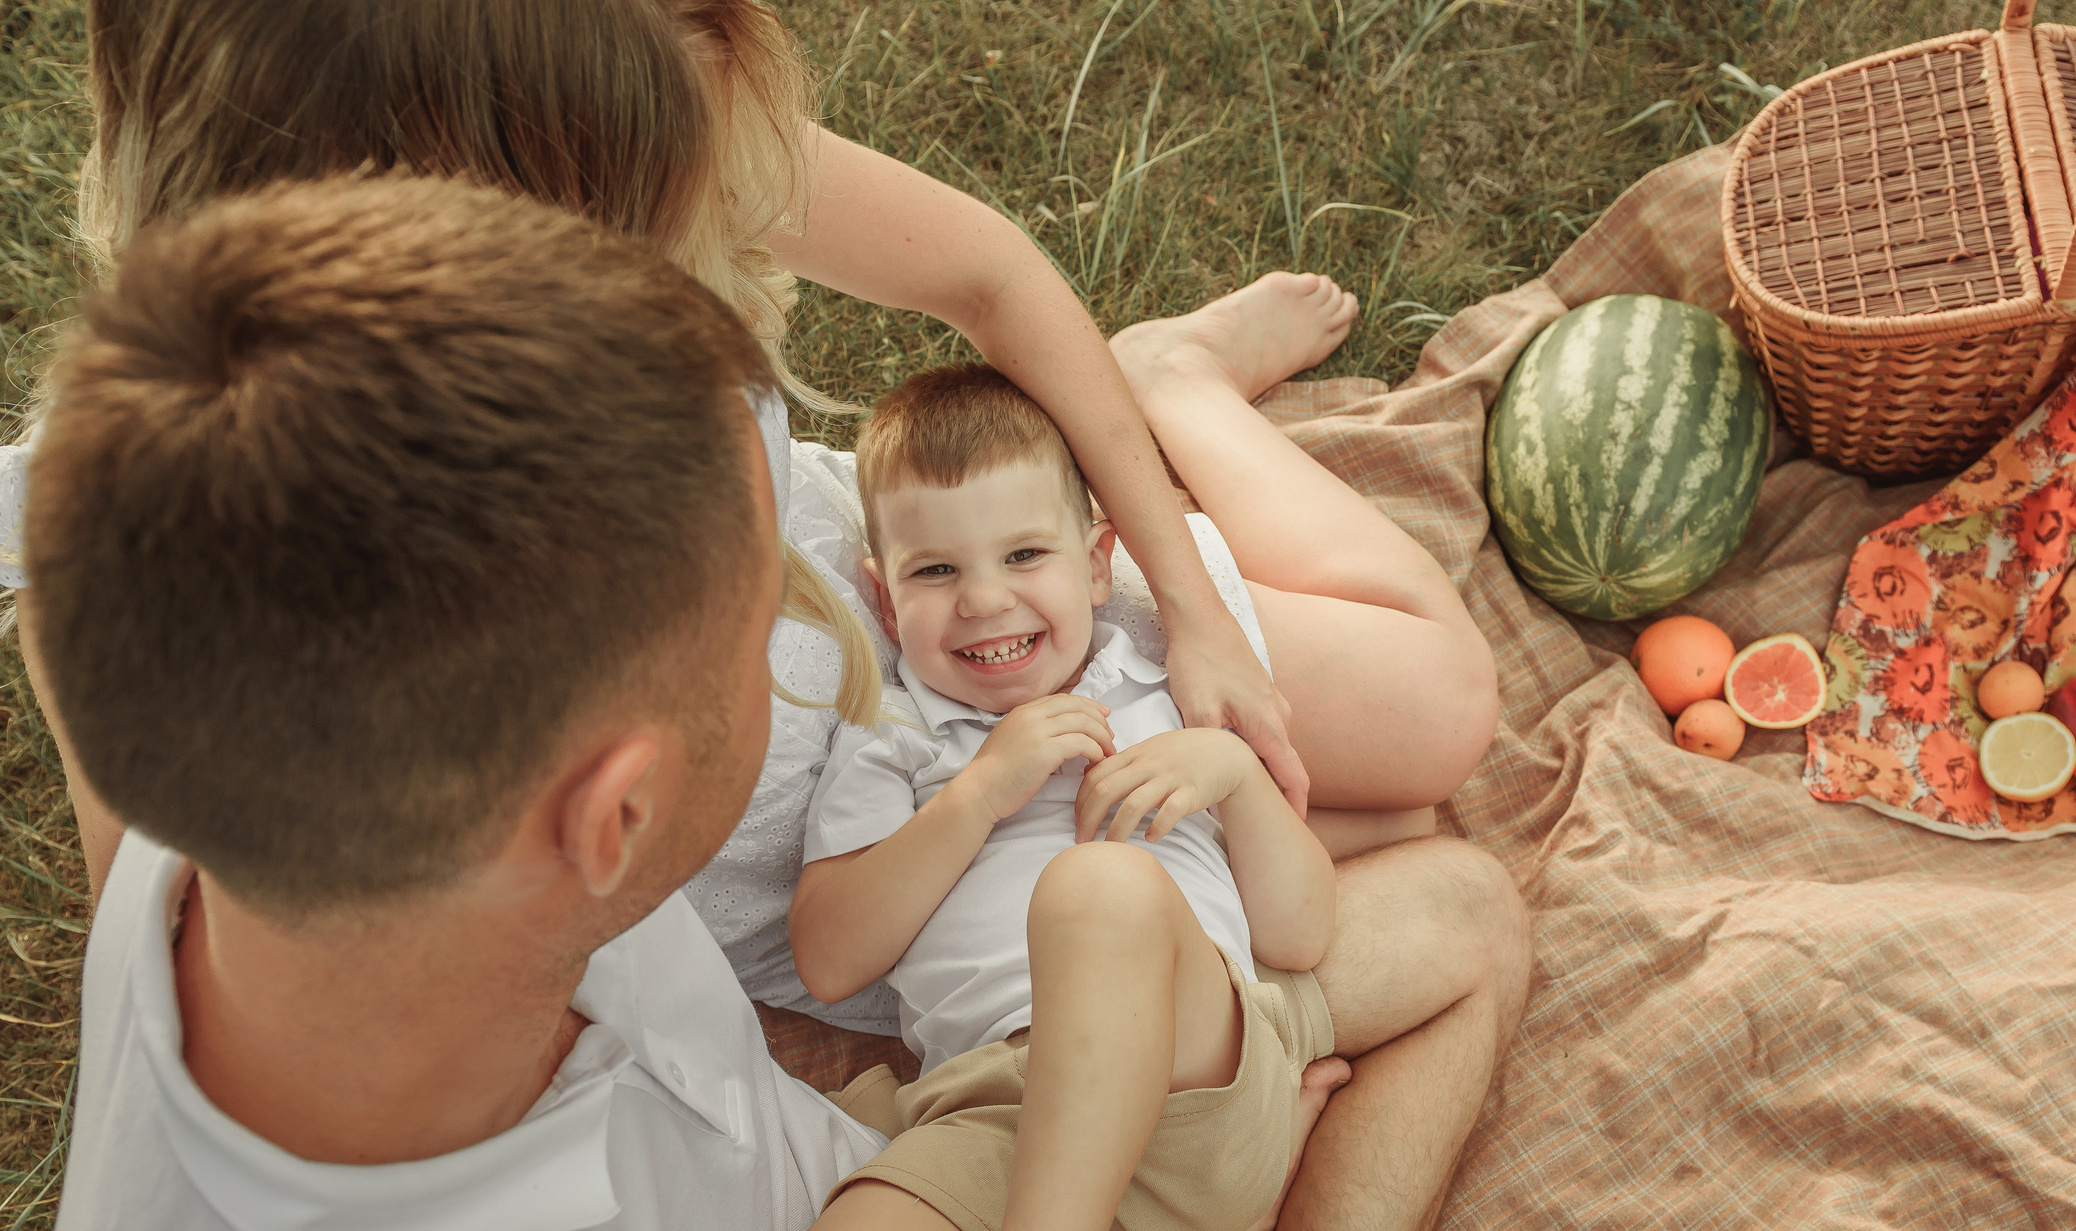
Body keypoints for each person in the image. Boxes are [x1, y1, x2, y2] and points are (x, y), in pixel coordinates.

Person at [17, 175, 1530, 1231]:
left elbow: (56, 530)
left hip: (922, 1195)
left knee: (1458, 903)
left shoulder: (225, 813)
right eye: (779, 625)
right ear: (619, 814)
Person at [9, 0, 1499, 939]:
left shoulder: (617, 65)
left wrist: (1187, 600)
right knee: (1352, 849)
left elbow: (986, 274)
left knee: (1437, 718)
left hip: (912, 615)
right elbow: (205, 946)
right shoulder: (185, 506)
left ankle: (1173, 386)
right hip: (792, 867)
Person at [769, 364, 1333, 1231]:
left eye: (1024, 554)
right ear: (875, 591)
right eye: (933, 574)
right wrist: (980, 788)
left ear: (1098, 560)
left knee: (1098, 894)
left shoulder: (1159, 679)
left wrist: (1238, 777)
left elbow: (1304, 932)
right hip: (1004, 1116)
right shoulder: (896, 731)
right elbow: (832, 948)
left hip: (1194, 1093)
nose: (984, 603)